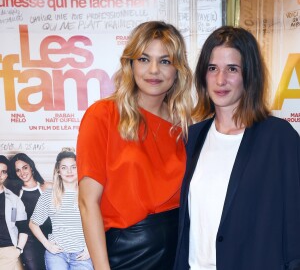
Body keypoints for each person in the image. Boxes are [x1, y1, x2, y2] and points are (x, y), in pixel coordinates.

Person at [173, 26, 300, 270]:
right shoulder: (193, 137)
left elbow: (294, 224)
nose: (220, 80)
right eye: (213, 69)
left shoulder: (279, 138)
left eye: (232, 69)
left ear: (249, 75)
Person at [76, 20, 193, 270]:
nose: (153, 70)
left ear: (177, 70)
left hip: (179, 250)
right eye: (143, 59)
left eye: (165, 61)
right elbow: (88, 203)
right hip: (128, 254)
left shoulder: (183, 125)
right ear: (130, 64)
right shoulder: (103, 115)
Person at [29, 148, 93, 270]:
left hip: (82, 254)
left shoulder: (88, 193)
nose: (69, 171)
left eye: (73, 167)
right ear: (58, 171)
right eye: (64, 167)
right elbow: (33, 223)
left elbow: (98, 224)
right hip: (57, 255)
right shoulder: (49, 194)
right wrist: (47, 245)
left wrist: (90, 248)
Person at [8, 153, 52, 270]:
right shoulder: (15, 194)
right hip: (29, 243)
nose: (22, 173)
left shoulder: (47, 187)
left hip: (51, 237)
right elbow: (12, 221)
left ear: (31, 167)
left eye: (25, 167)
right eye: (18, 170)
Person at [0, 155, 28, 270]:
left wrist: (18, 250)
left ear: (6, 175)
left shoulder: (14, 199)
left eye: (3, 172)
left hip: (8, 250)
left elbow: (23, 228)